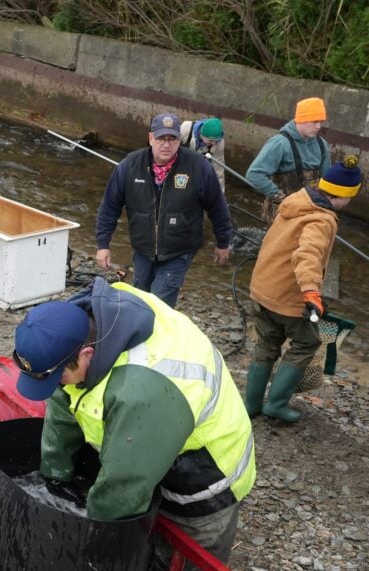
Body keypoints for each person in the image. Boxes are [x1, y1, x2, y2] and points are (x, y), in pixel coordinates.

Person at [12, 277, 256, 571]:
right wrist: (54, 475)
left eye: (55, 376)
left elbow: (123, 489)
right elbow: (64, 398)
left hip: (205, 473)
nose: (55, 385)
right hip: (150, 438)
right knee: (143, 546)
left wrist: (83, 546)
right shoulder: (77, 326)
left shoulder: (141, 392)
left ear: (86, 355)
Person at [244, 156, 362, 423]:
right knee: (307, 342)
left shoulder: (297, 201)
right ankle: (275, 404)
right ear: (345, 196)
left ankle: (251, 405)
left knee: (267, 343)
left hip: (262, 288)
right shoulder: (321, 220)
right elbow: (308, 255)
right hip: (287, 296)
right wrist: (311, 292)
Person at [95, 112, 232, 308]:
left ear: (179, 139)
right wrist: (103, 244)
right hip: (142, 248)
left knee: (158, 306)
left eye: (172, 139)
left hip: (179, 250)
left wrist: (223, 242)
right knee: (139, 297)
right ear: (151, 138)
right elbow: (110, 206)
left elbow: (217, 207)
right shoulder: (130, 165)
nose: (166, 145)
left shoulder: (199, 167)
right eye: (161, 138)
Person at [245, 97, 331, 224]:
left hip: (309, 211)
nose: (318, 126)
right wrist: (279, 196)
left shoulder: (321, 144)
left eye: (320, 122)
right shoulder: (280, 143)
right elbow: (254, 174)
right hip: (282, 212)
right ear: (301, 119)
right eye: (314, 122)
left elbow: (327, 179)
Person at [180, 116, 225, 193]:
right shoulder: (185, 130)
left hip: (198, 165)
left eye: (216, 141)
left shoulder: (219, 143)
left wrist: (220, 195)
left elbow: (218, 171)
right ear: (201, 134)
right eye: (211, 140)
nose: (214, 143)